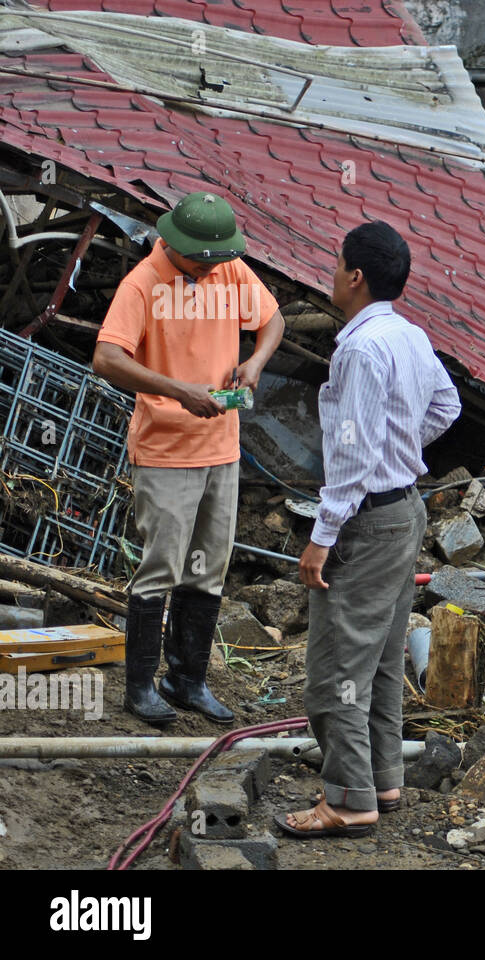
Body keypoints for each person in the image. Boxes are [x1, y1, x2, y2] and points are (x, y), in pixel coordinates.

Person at [275, 221, 461, 839]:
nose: (331, 273)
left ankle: (351, 800)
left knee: (335, 671)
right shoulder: (408, 333)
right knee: (380, 660)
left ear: (355, 276)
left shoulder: (359, 348)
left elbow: (351, 457)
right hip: (405, 510)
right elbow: (445, 408)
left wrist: (322, 535)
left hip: (369, 518)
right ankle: (382, 779)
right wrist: (400, 448)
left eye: (336, 264)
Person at [94, 191, 284, 725]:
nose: (212, 267)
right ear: (177, 245)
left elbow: (272, 322)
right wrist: (178, 391)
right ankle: (140, 687)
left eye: (218, 258)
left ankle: (188, 679)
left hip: (221, 448)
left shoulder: (228, 270)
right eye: (203, 259)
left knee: (208, 568)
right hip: (165, 450)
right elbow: (107, 358)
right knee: (160, 568)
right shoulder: (143, 284)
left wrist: (254, 363)